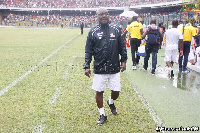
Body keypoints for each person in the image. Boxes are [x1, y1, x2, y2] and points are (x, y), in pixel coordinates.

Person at [83, 7, 127, 125]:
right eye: (101, 14)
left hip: (114, 67)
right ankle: (102, 114)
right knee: (99, 91)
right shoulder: (93, 31)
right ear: (97, 17)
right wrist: (87, 65)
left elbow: (122, 46)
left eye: (106, 14)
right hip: (99, 68)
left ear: (109, 16)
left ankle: (111, 101)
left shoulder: (116, 30)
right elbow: (88, 50)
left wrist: (124, 61)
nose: (103, 16)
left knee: (116, 91)